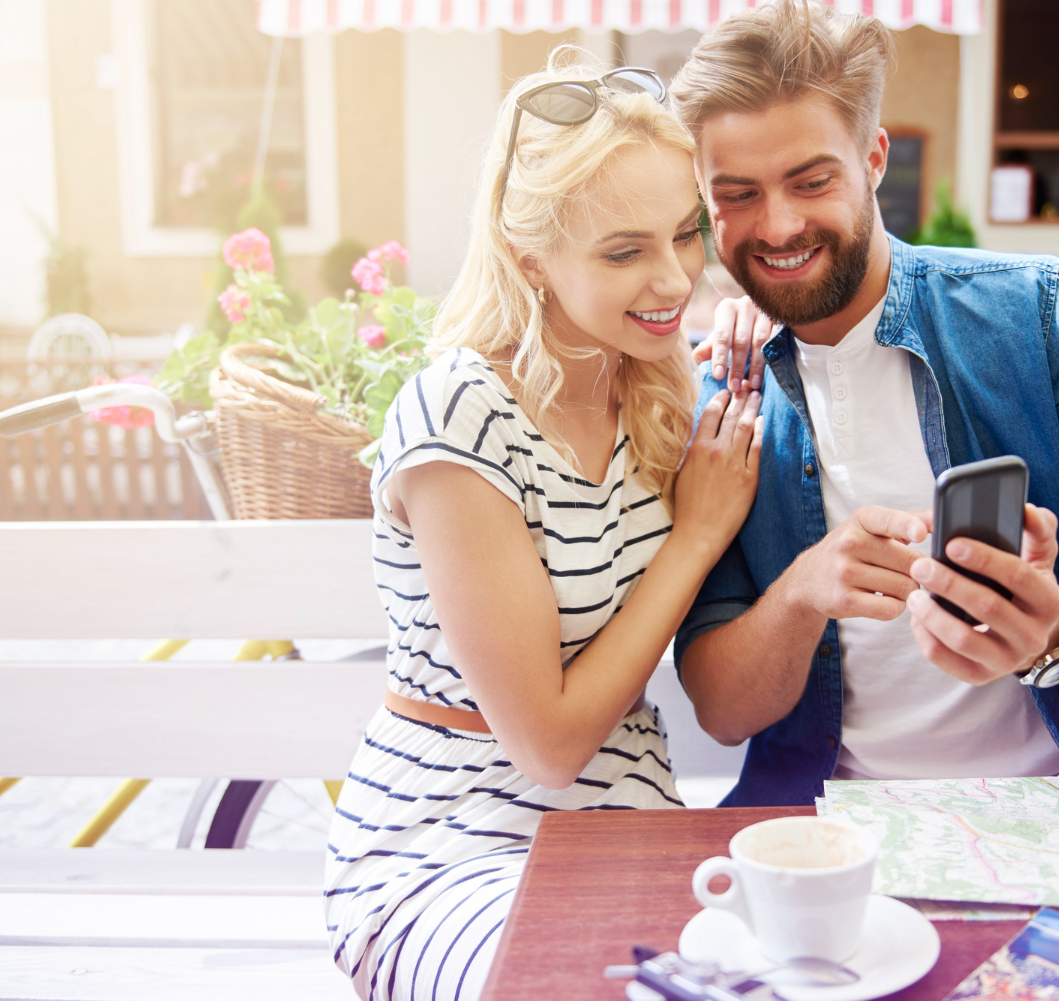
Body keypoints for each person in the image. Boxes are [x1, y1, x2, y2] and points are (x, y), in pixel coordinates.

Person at [672, 0, 1059, 808]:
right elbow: (725, 711)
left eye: (811, 180)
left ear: (873, 158)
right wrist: (804, 590)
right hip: (830, 839)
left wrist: (1056, 633)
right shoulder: (722, 397)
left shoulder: (1045, 318)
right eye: (736, 195)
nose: (779, 225)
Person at [324, 52, 762, 1001]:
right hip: (450, 844)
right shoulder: (460, 415)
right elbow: (549, 745)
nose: (674, 276)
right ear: (530, 257)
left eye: (685, 234)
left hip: (629, 831)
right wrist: (693, 537)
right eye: (623, 251)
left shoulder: (654, 385)